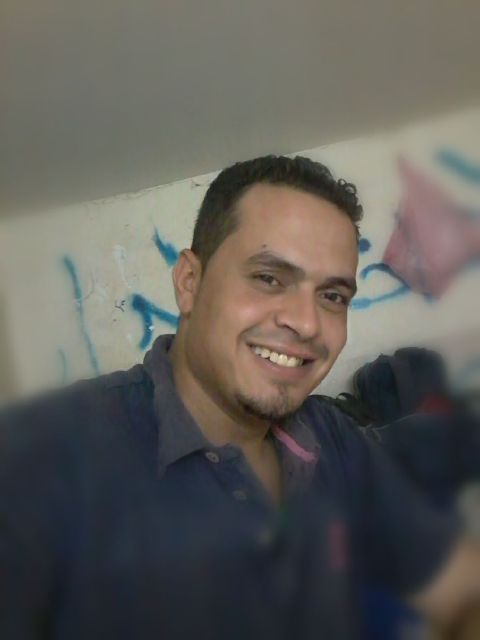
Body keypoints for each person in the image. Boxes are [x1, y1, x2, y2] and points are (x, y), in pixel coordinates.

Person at [0, 155, 479, 639]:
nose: (307, 323)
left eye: (332, 296)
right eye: (269, 278)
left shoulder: (332, 437)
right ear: (190, 283)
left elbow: (461, 590)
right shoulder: (46, 455)